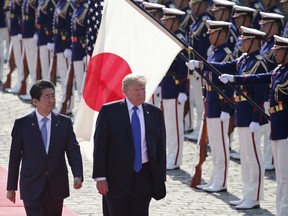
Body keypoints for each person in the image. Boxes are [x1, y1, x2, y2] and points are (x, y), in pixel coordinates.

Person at [187, 26, 268, 209]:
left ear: (255, 42)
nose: (242, 42)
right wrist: (200, 64)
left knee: (254, 157)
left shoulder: (258, 63)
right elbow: (223, 67)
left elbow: (261, 95)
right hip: (241, 113)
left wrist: (256, 119)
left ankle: (254, 196)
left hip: (250, 115)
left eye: (246, 40)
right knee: (246, 158)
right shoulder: (243, 60)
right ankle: (247, 194)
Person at [219, 34, 288, 216]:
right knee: (281, 174)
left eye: (279, 51)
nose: (275, 55)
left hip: (285, 126)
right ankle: (282, 208)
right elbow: (258, 78)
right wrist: (235, 79)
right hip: (277, 126)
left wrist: (257, 119)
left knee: (285, 173)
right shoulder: (278, 71)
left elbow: (261, 93)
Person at [6, 79, 84, 216]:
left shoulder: (64, 123)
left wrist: (78, 174)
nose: (52, 100)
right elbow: (15, 157)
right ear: (35, 101)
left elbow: (73, 150)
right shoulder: (22, 124)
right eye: (47, 97)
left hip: (56, 185)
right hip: (31, 185)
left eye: (53, 96)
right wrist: (11, 187)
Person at [92, 74, 166, 216]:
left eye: (143, 89)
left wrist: (159, 177)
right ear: (125, 92)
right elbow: (100, 146)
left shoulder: (155, 113)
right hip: (116, 178)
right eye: (137, 90)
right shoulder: (109, 112)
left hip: (144, 177)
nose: (141, 93)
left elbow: (160, 148)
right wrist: (100, 177)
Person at [194, 20, 234, 192]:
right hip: (210, 102)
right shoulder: (213, 52)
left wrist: (227, 108)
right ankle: (214, 179)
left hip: (219, 104)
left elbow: (231, 86)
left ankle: (221, 181)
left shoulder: (226, 55)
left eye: (213, 33)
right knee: (214, 145)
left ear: (223, 35)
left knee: (221, 145)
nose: (209, 35)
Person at [160, 7, 188, 170]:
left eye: (168, 20)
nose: (165, 22)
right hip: (168, 85)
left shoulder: (179, 40)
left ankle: (175, 159)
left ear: (175, 22)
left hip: (176, 87)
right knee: (168, 124)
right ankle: (171, 155)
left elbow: (184, 68)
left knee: (175, 125)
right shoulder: (170, 38)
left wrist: (183, 90)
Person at [259, 12, 284, 171]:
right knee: (267, 129)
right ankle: (269, 158)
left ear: (274, 26)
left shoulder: (276, 45)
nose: (263, 27)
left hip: (275, 91)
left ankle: (271, 160)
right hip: (268, 88)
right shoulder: (266, 45)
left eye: (266, 25)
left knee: (271, 128)